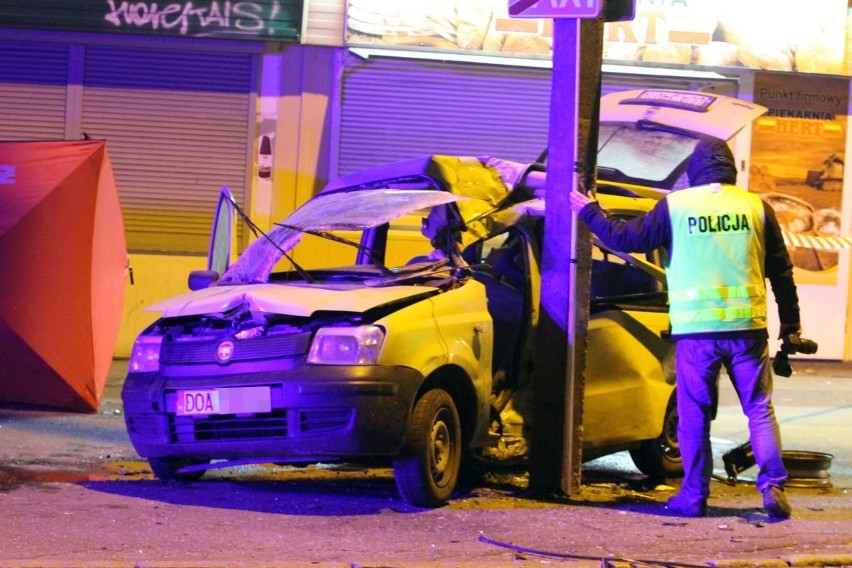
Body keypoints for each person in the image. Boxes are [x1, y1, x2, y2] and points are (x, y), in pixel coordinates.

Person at [568, 138, 802, 519]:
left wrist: (590, 211)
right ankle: (772, 487)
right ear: (731, 169)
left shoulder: (675, 207)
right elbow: (782, 272)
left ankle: (693, 498)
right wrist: (790, 326)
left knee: (693, 414)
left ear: (693, 170)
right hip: (748, 330)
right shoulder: (757, 208)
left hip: (697, 332)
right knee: (759, 410)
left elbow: (628, 238)